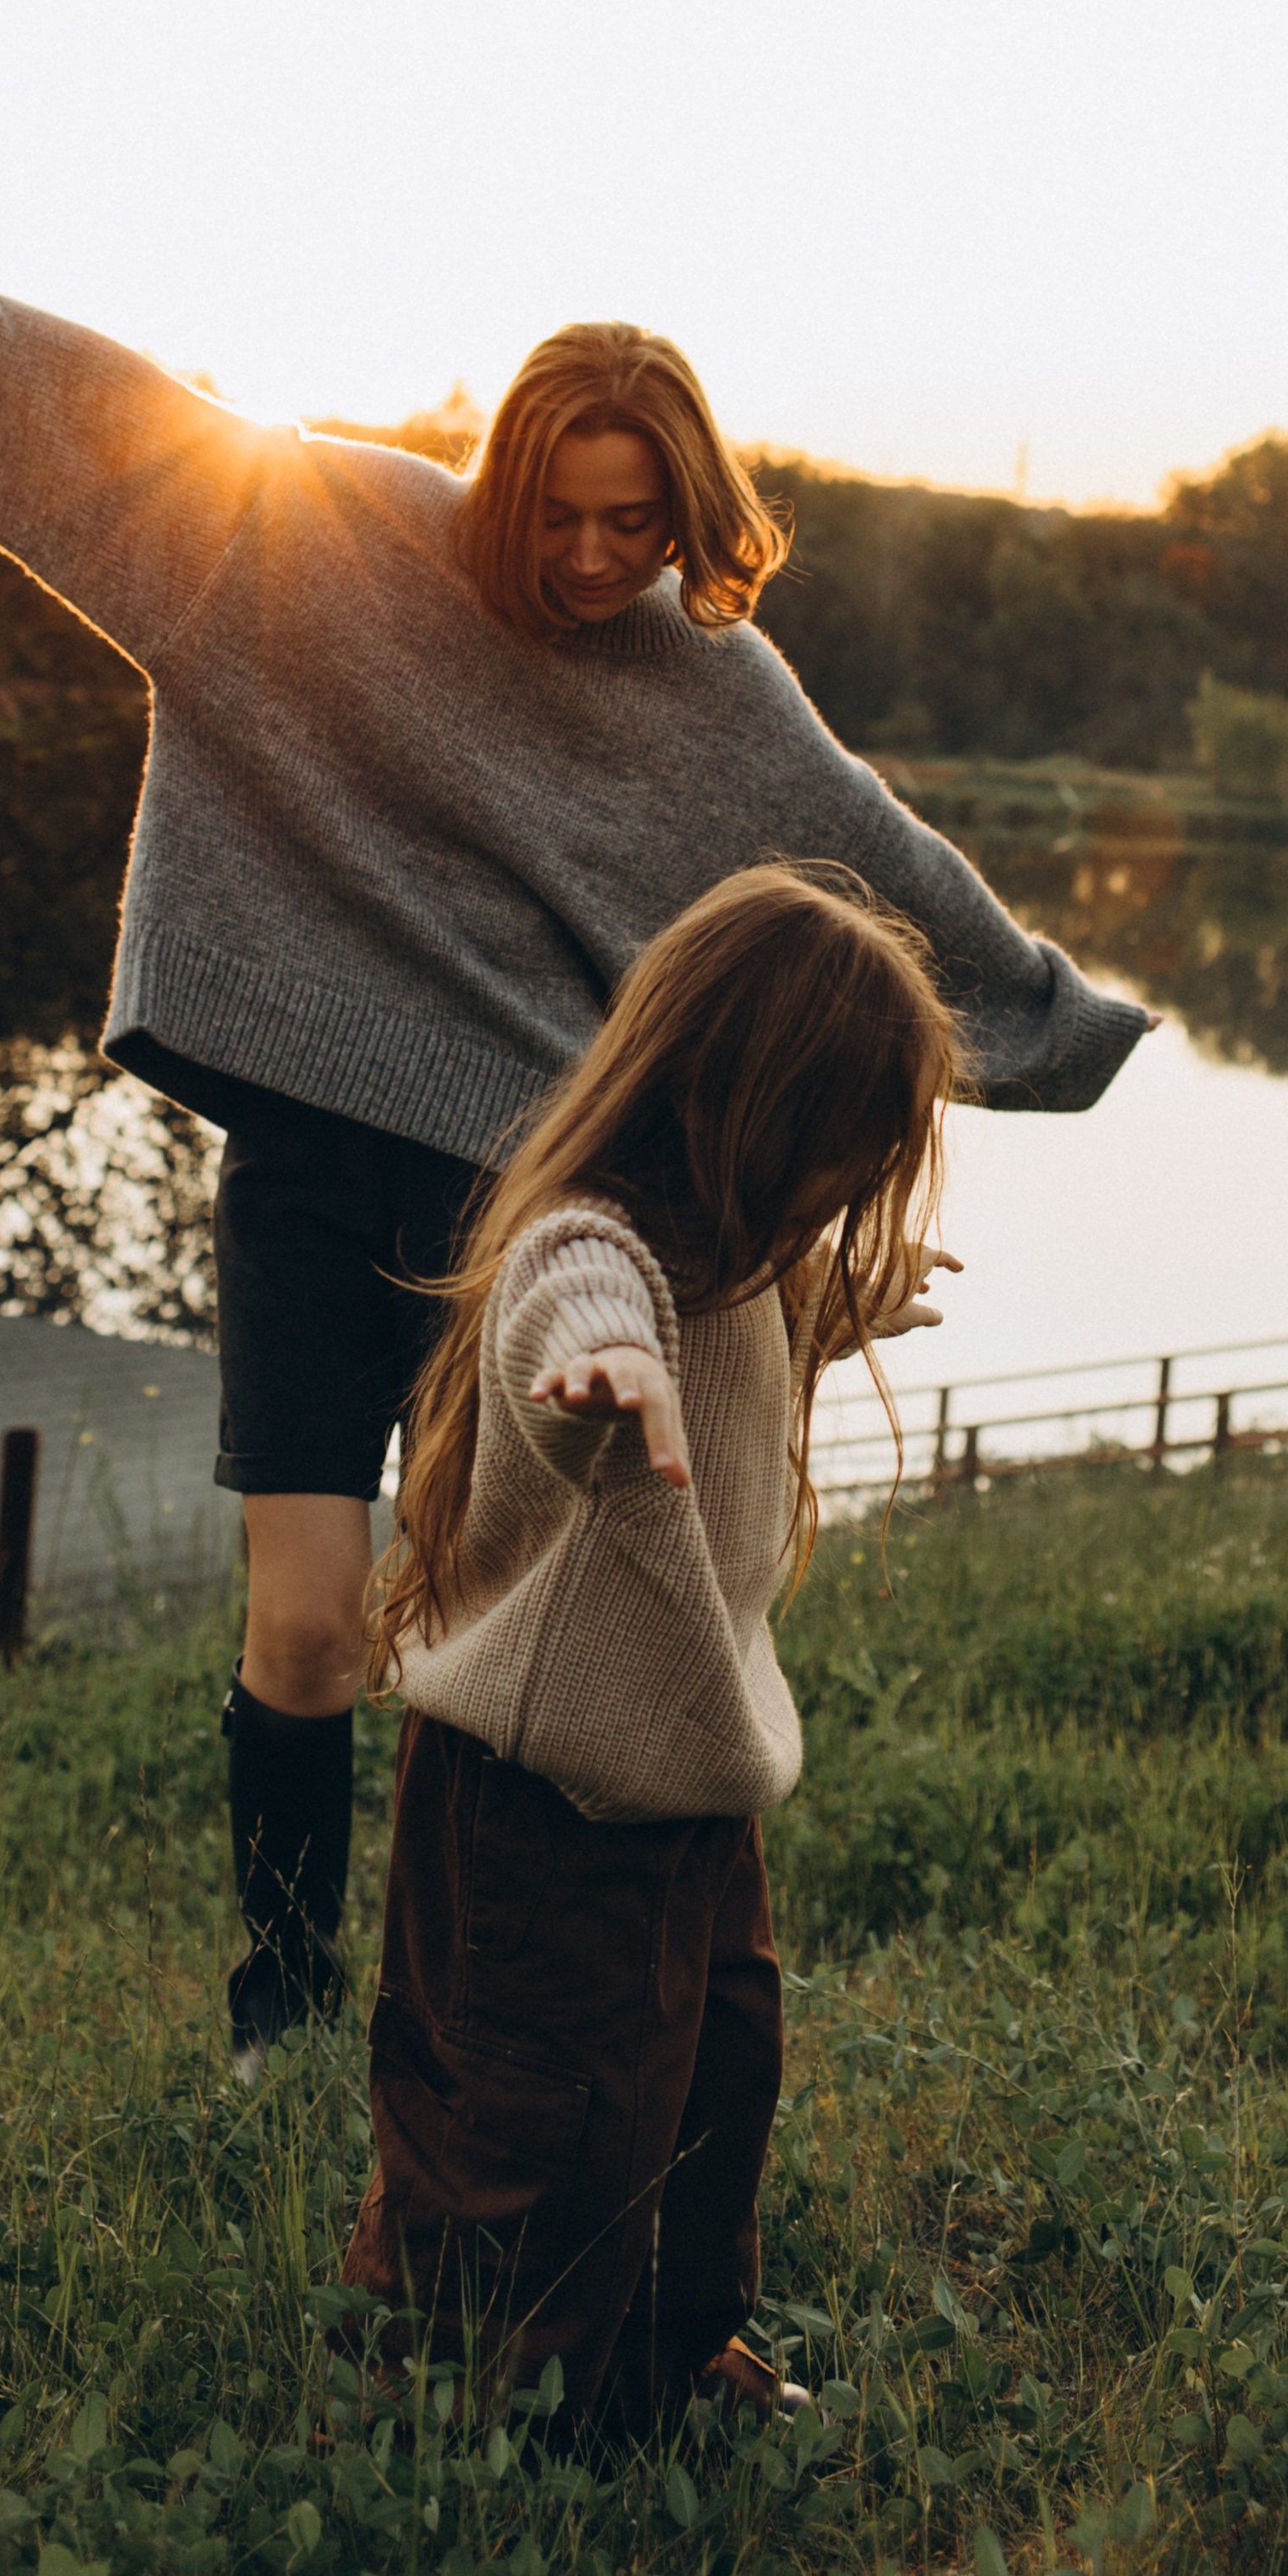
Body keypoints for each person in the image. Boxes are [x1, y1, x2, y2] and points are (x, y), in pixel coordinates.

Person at [0, 189, 1150, 2067]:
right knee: (302, 1629)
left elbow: (869, 864)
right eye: (564, 510)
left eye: (641, 519)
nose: (598, 553)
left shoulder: (714, 693)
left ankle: (434, 2012)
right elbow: (96, 422)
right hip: (310, 1162)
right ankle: (280, 2009)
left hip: (534, 1206)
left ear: (689, 511)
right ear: (502, 478)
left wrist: (1052, 1018)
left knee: (474, 1648)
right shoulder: (325, 546)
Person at [344, 864, 960, 2428]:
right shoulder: (593, 1244)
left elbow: (742, 1323)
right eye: (840, 1152)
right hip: (535, 1799)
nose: (844, 1187)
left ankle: (671, 2357)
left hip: (687, 1785)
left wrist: (843, 1305)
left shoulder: (737, 1260)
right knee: (544, 2109)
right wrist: (605, 1367)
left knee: (708, 2083)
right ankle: (498, 2404)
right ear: (739, 1100)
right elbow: (577, 1302)